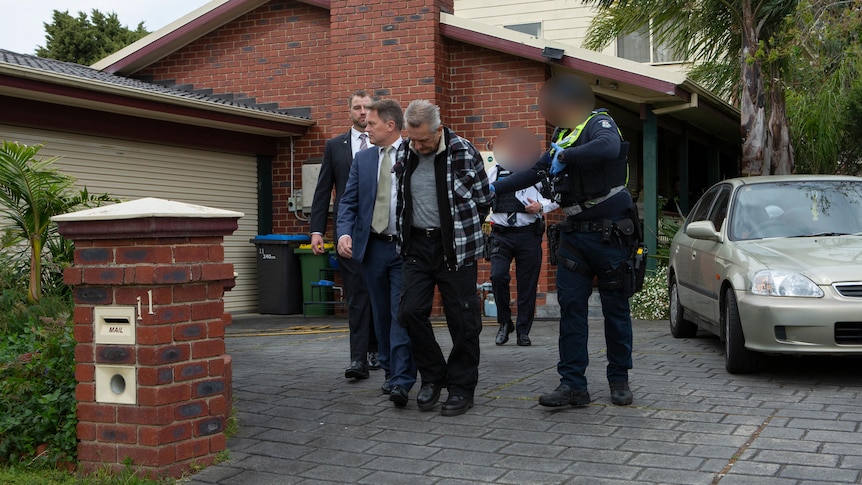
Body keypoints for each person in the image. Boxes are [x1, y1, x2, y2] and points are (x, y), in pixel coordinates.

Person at [492, 75, 639, 407]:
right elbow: (534, 171)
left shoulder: (598, 123)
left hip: (610, 233)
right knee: (571, 311)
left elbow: (608, 147)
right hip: (575, 235)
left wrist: (567, 157)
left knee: (615, 310)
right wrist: (493, 189)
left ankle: (619, 379)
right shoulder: (562, 134)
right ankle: (573, 384)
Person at [394, 99, 492, 417]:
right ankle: (434, 377)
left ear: (438, 129)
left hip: (455, 248)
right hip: (416, 248)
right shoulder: (403, 152)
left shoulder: (464, 151)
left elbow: (483, 200)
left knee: (463, 322)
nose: (418, 145)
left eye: (424, 139)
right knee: (409, 312)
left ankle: (462, 389)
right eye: (413, 138)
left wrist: (461, 231)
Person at [336, 99, 416, 406]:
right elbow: (348, 201)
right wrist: (344, 232)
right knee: (381, 315)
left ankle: (402, 379)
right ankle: (390, 372)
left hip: (404, 248)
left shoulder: (413, 155)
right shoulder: (364, 160)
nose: (365, 128)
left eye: (371, 124)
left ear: (391, 126)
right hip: (372, 249)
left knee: (400, 314)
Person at [309, 90, 378, 380]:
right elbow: (324, 189)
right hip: (347, 234)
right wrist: (316, 230)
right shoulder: (335, 146)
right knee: (357, 297)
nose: (363, 112)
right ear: (349, 112)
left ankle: (380, 350)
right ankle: (358, 359)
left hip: (380, 233)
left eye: (367, 108)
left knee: (380, 294)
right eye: (357, 107)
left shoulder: (386, 144)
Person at [487, 138, 558, 347]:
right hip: (501, 234)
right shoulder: (495, 171)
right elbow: (482, 192)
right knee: (497, 276)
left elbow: (555, 197)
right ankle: (504, 323)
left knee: (527, 285)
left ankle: (523, 330)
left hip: (528, 235)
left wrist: (541, 206)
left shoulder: (536, 174)